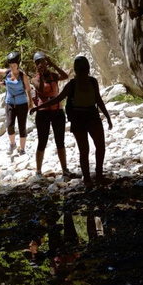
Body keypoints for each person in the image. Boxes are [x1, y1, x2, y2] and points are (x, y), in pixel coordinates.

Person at [30, 55, 113, 186]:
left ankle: (93, 176)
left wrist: (108, 116)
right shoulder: (76, 83)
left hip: (81, 117)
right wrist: (39, 107)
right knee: (91, 148)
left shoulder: (87, 82)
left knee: (91, 148)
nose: (83, 71)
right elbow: (50, 94)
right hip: (85, 117)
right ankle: (91, 177)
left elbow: (97, 99)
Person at [30, 51, 72, 178]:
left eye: (41, 61)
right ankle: (38, 171)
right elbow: (41, 89)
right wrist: (41, 76)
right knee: (42, 141)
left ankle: (65, 169)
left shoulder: (53, 76)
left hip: (57, 111)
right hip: (43, 113)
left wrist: (52, 64)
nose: (39, 64)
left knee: (60, 141)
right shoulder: (34, 79)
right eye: (37, 62)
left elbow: (65, 76)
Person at [0, 51, 33, 155]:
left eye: (14, 65)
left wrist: (31, 102)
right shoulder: (7, 73)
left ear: (18, 64)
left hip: (22, 103)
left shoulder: (22, 75)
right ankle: (12, 144)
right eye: (10, 65)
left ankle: (22, 149)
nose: (12, 67)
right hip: (10, 102)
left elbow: (28, 89)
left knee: (22, 126)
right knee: (9, 124)